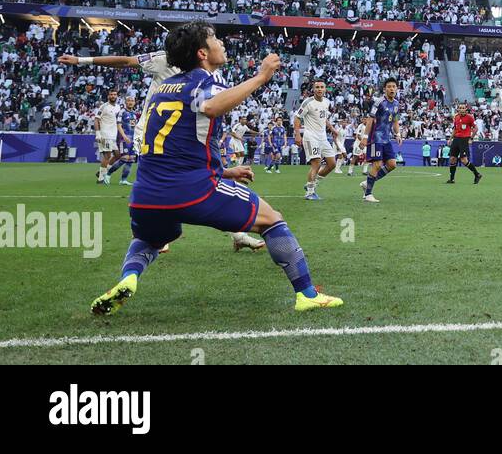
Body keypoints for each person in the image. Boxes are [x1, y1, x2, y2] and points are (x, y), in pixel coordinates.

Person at [90, 21, 342, 315]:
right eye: (215, 39)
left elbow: (170, 150)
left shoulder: (163, 91)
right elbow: (210, 106)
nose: (221, 43)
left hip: (145, 195)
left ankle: (128, 278)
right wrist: (261, 76)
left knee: (151, 238)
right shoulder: (203, 82)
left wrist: (224, 171)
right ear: (201, 53)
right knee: (272, 221)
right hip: (192, 191)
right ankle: (307, 294)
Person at [60, 48, 263, 251]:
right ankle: (151, 231)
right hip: (159, 132)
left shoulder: (209, 69)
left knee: (204, 177)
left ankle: (235, 233)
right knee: (168, 179)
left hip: (190, 132)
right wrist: (80, 60)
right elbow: (126, 61)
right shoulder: (167, 58)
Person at [294, 80, 340, 201]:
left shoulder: (326, 102)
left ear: (325, 89)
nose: (319, 89)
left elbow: (324, 118)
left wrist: (332, 129)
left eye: (322, 87)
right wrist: (298, 134)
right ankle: (309, 192)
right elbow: (297, 118)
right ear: (313, 89)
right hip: (311, 136)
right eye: (317, 87)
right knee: (316, 163)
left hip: (323, 137)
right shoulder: (308, 102)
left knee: (332, 164)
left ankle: (312, 182)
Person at [361, 78, 401, 202]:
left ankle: (367, 182)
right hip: (375, 138)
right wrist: (365, 136)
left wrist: (398, 134)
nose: (392, 89)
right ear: (385, 89)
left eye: (394, 86)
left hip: (386, 139)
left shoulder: (396, 104)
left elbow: (395, 120)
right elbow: (370, 119)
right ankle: (368, 194)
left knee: (392, 164)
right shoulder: (379, 102)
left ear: (397, 88)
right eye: (389, 86)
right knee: (377, 164)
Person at [93, 89, 123, 185]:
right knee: (107, 156)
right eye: (111, 94)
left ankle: (102, 172)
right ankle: (100, 179)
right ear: (108, 96)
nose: (113, 96)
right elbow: (96, 120)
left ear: (117, 96)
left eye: (115, 94)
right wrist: (98, 133)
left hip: (114, 135)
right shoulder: (103, 107)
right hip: (105, 134)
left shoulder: (118, 107)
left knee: (118, 155)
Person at [446, 102, 481, 184]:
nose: (461, 109)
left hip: (464, 140)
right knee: (452, 159)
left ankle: (477, 174)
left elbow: (476, 128)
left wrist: (471, 138)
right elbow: (455, 129)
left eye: (463, 108)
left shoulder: (470, 117)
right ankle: (452, 179)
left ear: (466, 109)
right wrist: (450, 139)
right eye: (460, 108)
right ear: (458, 109)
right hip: (456, 139)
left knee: (464, 160)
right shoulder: (456, 117)